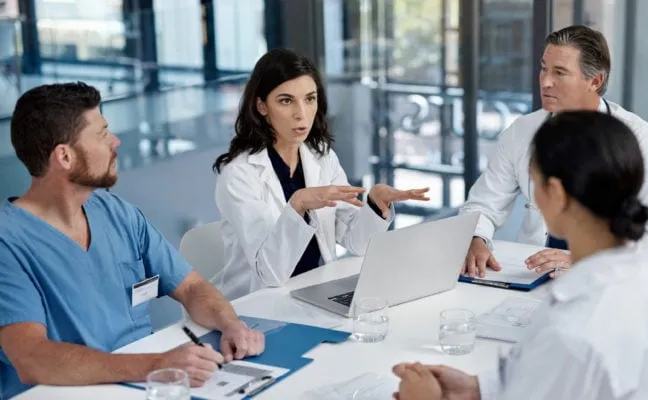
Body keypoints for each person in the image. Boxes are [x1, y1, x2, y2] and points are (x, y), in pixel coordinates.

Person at [393, 111, 648, 400]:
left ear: (556, 193)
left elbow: (562, 368)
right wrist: (478, 388)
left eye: (534, 181)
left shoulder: (573, 331)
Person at [0, 82, 265, 399]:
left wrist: (231, 324)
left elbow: (192, 287)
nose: (115, 141)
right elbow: (31, 357)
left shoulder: (117, 213)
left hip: (142, 385)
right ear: (65, 156)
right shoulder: (8, 243)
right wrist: (157, 364)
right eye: (102, 134)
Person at [211, 48, 429, 299]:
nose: (301, 113)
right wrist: (298, 204)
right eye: (286, 101)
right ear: (262, 106)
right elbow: (269, 273)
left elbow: (355, 242)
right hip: (258, 302)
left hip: (316, 291)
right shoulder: (239, 175)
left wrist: (375, 205)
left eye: (309, 99)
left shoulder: (321, 157)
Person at [460, 24, 648, 278]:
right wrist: (476, 238)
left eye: (559, 72)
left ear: (595, 81)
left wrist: (585, 260)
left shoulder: (638, 138)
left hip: (606, 276)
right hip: (530, 273)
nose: (545, 82)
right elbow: (484, 203)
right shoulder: (522, 131)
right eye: (544, 68)